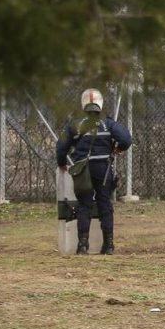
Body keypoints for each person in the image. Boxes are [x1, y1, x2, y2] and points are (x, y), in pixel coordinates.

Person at [56, 88, 132, 255]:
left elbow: (61, 147)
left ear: (83, 104)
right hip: (103, 169)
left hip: (83, 170)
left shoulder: (75, 124)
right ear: (100, 103)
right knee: (105, 204)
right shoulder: (108, 123)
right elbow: (126, 139)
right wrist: (118, 148)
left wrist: (61, 163)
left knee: (84, 205)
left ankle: (82, 246)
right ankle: (108, 245)